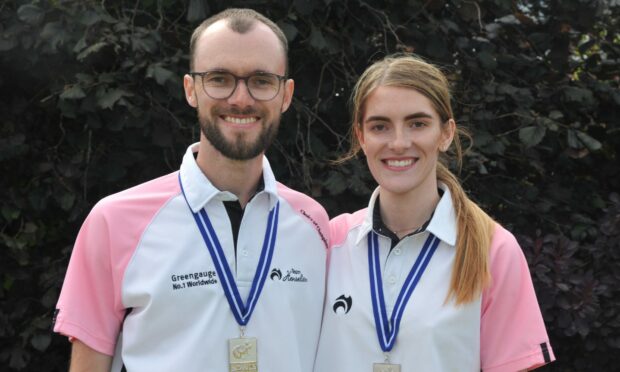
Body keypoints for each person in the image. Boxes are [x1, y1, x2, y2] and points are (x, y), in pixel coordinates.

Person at [53, 8, 329, 372]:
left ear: (286, 94)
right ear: (191, 89)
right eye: (219, 78)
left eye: (261, 80)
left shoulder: (315, 224)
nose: (240, 98)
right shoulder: (114, 220)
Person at [314, 54, 555, 372]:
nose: (398, 143)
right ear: (361, 137)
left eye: (417, 123)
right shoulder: (330, 240)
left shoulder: (493, 248)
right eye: (380, 126)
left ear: (445, 133)